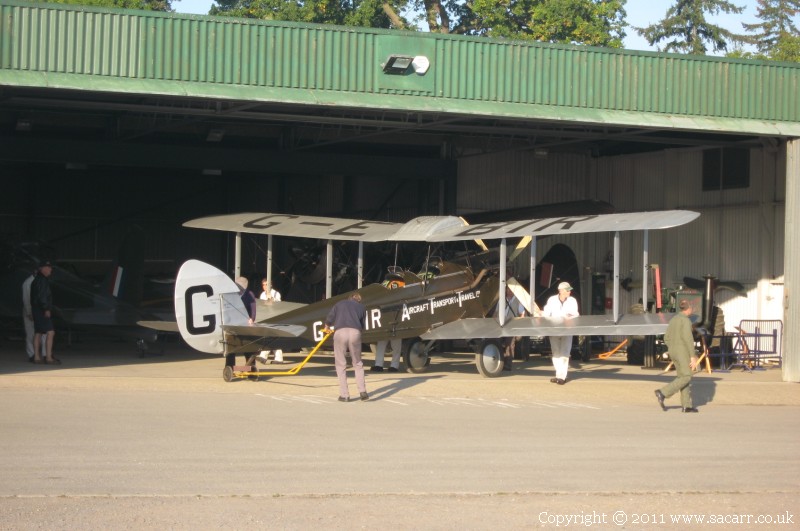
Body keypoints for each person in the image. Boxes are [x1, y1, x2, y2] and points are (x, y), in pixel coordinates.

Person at [655, 300, 699, 413]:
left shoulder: (673, 320)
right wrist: (692, 356)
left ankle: (686, 405)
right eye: (692, 308)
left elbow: (666, 337)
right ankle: (663, 392)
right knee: (687, 376)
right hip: (682, 351)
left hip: (673, 351)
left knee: (682, 376)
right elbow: (688, 339)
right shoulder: (686, 321)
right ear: (689, 309)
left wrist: (672, 347)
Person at [323, 293, 368, 402]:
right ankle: (362, 391)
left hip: (340, 333)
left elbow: (330, 317)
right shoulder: (362, 307)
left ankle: (345, 395)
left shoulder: (339, 304)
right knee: (357, 363)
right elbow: (363, 325)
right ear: (358, 300)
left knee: (340, 364)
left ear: (349, 298)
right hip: (355, 333)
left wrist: (327, 326)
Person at [542, 281, 579, 384]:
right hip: (554, 329)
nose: (569, 292)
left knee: (565, 352)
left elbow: (576, 314)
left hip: (567, 330)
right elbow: (546, 313)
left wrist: (569, 316)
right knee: (556, 352)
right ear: (560, 291)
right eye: (567, 290)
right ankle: (558, 374)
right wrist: (541, 314)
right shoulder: (552, 300)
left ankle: (562, 377)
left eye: (569, 290)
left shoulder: (572, 301)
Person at [225, 276, 258, 370]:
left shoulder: (249, 295)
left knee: (249, 348)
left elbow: (253, 309)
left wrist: (252, 318)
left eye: (240, 288)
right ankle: (230, 369)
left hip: (245, 326)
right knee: (231, 349)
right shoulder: (231, 295)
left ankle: (250, 369)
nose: (239, 289)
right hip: (232, 325)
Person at [31, 260, 59, 365]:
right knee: (51, 332)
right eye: (48, 267)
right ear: (42, 269)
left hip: (36, 309)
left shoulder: (36, 280)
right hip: (41, 309)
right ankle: (48, 357)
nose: (50, 269)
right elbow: (42, 297)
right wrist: (46, 308)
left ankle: (37, 357)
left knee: (38, 332)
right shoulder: (42, 281)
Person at [257, 278, 283, 364]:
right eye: (263, 285)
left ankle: (263, 356)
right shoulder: (262, 295)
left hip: (275, 317)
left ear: (270, 285)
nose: (264, 287)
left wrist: (271, 298)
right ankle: (278, 358)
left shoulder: (276, 293)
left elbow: (278, 305)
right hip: (267, 317)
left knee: (271, 337)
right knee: (271, 337)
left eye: (266, 285)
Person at [501, 287, 526, 371]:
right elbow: (496, 312)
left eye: (511, 289)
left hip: (512, 326)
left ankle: (508, 365)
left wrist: (519, 327)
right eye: (507, 289)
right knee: (499, 344)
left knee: (510, 345)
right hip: (500, 325)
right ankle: (500, 363)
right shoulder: (502, 300)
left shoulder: (518, 301)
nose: (509, 291)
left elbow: (522, 315)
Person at [21, 267, 42, 363]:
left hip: (38, 311)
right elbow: (26, 299)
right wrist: (29, 312)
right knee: (30, 333)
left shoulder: (38, 281)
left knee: (37, 333)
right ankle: (31, 354)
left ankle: (36, 353)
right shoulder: (28, 283)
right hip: (31, 311)